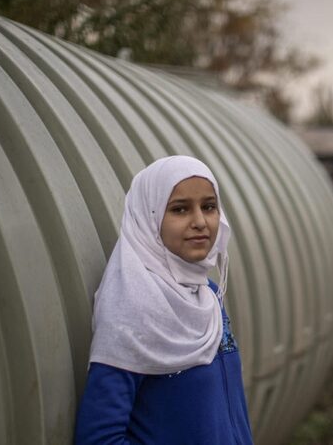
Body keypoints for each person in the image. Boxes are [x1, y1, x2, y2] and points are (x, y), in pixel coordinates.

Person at [74, 156, 253, 445]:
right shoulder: (133, 310)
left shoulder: (207, 295)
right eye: (180, 209)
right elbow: (100, 438)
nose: (200, 222)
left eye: (209, 207)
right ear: (150, 218)